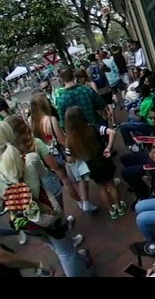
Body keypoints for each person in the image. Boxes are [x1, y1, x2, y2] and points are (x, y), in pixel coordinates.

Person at [0, 121, 92, 277]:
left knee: (53, 245)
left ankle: (80, 262)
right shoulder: (30, 159)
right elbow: (45, 174)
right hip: (47, 214)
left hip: (23, 220)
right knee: (66, 252)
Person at [5, 115, 84, 248]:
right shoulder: (35, 143)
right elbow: (53, 165)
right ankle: (69, 242)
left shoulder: (7, 154)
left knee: (44, 224)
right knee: (55, 215)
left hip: (27, 194)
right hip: (47, 184)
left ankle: (59, 241)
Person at [65, 106, 125, 220]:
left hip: (90, 165)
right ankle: (119, 207)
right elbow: (112, 132)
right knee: (111, 185)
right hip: (104, 159)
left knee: (102, 187)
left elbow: (69, 159)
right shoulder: (92, 127)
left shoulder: (70, 139)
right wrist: (108, 147)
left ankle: (111, 211)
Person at [120, 102, 155, 207]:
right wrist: (154, 148)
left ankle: (143, 194)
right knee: (124, 158)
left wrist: (154, 156)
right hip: (154, 155)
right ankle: (137, 182)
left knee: (126, 173)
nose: (152, 121)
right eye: (151, 118)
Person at [55, 66, 107, 130]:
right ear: (73, 75)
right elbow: (101, 105)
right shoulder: (86, 89)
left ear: (61, 80)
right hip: (95, 128)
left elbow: (63, 123)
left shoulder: (61, 100)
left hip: (78, 134)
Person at [120, 84, 155, 153]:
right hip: (149, 120)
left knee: (123, 126)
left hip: (149, 125)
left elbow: (139, 118)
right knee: (130, 118)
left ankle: (131, 144)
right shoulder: (152, 96)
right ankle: (137, 138)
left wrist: (133, 113)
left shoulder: (144, 103)